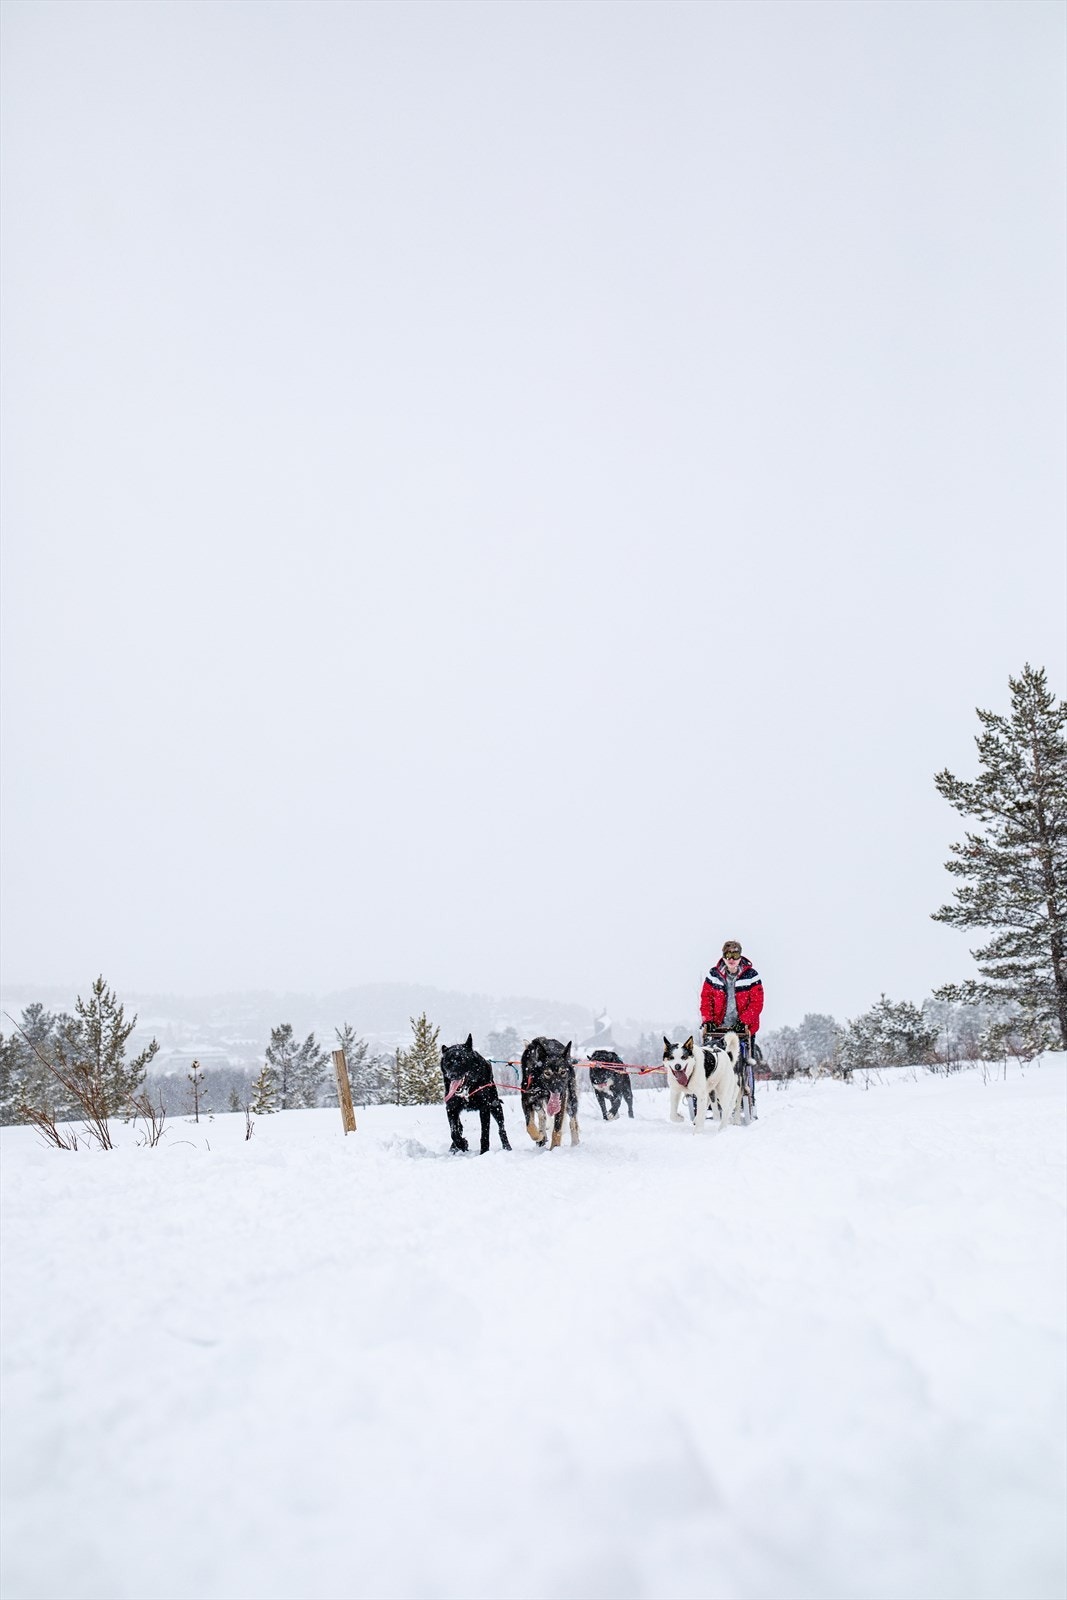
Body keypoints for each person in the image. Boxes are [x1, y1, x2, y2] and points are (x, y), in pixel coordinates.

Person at [700, 940, 764, 1105]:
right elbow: (706, 999)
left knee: (743, 1062)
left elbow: (757, 1003)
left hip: (743, 1028)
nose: (731, 959)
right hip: (718, 1028)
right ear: (723, 956)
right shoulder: (713, 975)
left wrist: (743, 1021)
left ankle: (747, 1097)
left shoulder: (751, 976)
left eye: (735, 955)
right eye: (728, 955)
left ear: (740, 955)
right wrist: (709, 1020)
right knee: (714, 1060)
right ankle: (710, 1095)